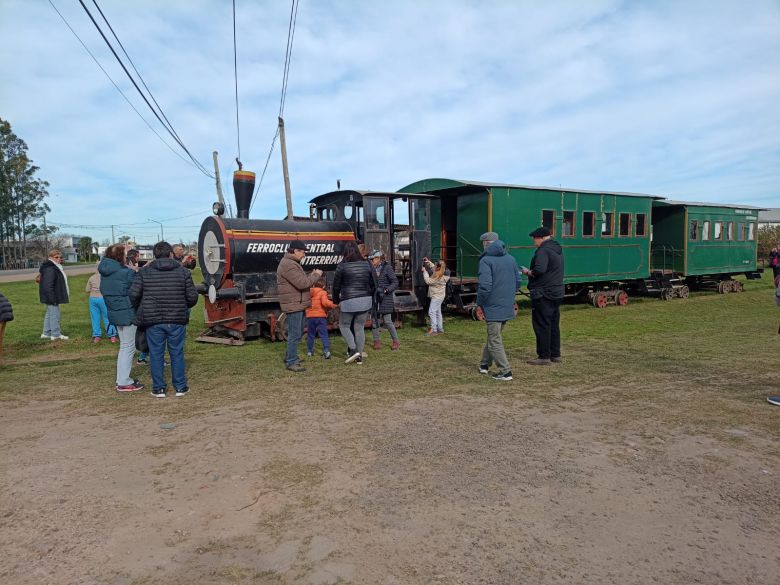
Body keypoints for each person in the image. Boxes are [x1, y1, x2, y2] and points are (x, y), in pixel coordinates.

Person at [129, 241, 198, 397]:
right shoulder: (183, 272)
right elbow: (193, 297)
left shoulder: (144, 273)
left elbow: (133, 294)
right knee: (177, 353)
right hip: (176, 319)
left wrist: (142, 307)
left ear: (154, 255)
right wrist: (182, 305)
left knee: (156, 354)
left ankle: (159, 388)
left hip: (153, 320)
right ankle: (180, 387)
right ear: (171, 254)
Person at [476, 232, 521, 381]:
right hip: (506, 304)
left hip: (492, 305)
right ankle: (484, 364)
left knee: (494, 339)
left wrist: (480, 303)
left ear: (486, 244)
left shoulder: (486, 261)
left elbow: (485, 286)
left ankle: (505, 371)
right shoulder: (511, 259)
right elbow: (518, 281)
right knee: (494, 336)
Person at [100, 244, 144, 392]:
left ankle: (121, 379)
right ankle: (124, 381)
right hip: (128, 313)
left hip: (115, 312)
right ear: (120, 256)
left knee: (124, 346)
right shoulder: (126, 273)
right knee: (128, 347)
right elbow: (137, 290)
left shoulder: (105, 273)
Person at [276, 240, 323, 372]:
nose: (304, 255)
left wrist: (311, 276)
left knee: (297, 332)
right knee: (295, 333)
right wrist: (316, 275)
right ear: (295, 251)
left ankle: (291, 356)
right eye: (303, 252)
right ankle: (291, 362)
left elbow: (299, 281)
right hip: (294, 304)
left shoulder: (291, 263)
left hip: (297, 303)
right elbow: (302, 284)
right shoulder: (289, 265)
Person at [522, 227, 565, 366]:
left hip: (543, 292)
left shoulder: (543, 250)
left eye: (534, 239)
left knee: (541, 324)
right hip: (556, 291)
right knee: (553, 324)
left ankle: (543, 356)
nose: (534, 242)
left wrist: (528, 272)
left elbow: (540, 269)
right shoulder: (557, 249)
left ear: (539, 238)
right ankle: (555, 354)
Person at [333, 240, 376, 364]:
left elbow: (336, 286)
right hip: (365, 299)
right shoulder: (367, 264)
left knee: (344, 325)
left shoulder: (342, 265)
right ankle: (359, 357)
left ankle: (353, 350)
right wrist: (370, 295)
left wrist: (336, 300)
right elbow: (374, 282)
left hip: (349, 300)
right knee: (359, 327)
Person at [369, 250, 401, 350]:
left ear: (378, 258)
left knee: (387, 321)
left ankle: (396, 341)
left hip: (385, 298)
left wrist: (387, 290)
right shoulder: (371, 268)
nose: (371, 261)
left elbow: (395, 282)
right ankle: (377, 341)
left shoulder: (387, 268)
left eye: (372, 259)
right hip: (375, 297)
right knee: (375, 321)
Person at [38, 249, 70, 341]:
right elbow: (48, 285)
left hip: (51, 295)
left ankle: (46, 333)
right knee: (55, 314)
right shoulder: (50, 268)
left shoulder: (54, 266)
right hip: (52, 296)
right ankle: (55, 334)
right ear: (50, 257)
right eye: (56, 257)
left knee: (50, 313)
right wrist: (52, 298)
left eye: (60, 257)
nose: (59, 258)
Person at [86, 263, 117, 343]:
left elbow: (87, 290)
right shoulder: (108, 277)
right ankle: (112, 336)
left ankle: (97, 336)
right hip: (103, 298)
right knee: (108, 317)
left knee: (95, 317)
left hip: (93, 299)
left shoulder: (91, 277)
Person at [305, 278, 336, 359]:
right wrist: (334, 305)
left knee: (310, 335)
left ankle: (309, 352)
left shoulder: (308, 293)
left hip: (310, 317)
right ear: (324, 286)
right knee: (323, 334)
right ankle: (326, 351)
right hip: (320, 317)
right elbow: (325, 303)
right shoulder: (323, 292)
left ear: (314, 285)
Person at [422, 257, 450, 336]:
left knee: (431, 312)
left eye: (436, 265)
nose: (435, 267)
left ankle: (434, 330)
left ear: (439, 267)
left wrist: (425, 272)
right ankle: (440, 329)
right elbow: (434, 268)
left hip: (436, 296)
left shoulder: (439, 277)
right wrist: (428, 262)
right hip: (440, 295)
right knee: (438, 312)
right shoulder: (441, 272)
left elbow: (428, 281)